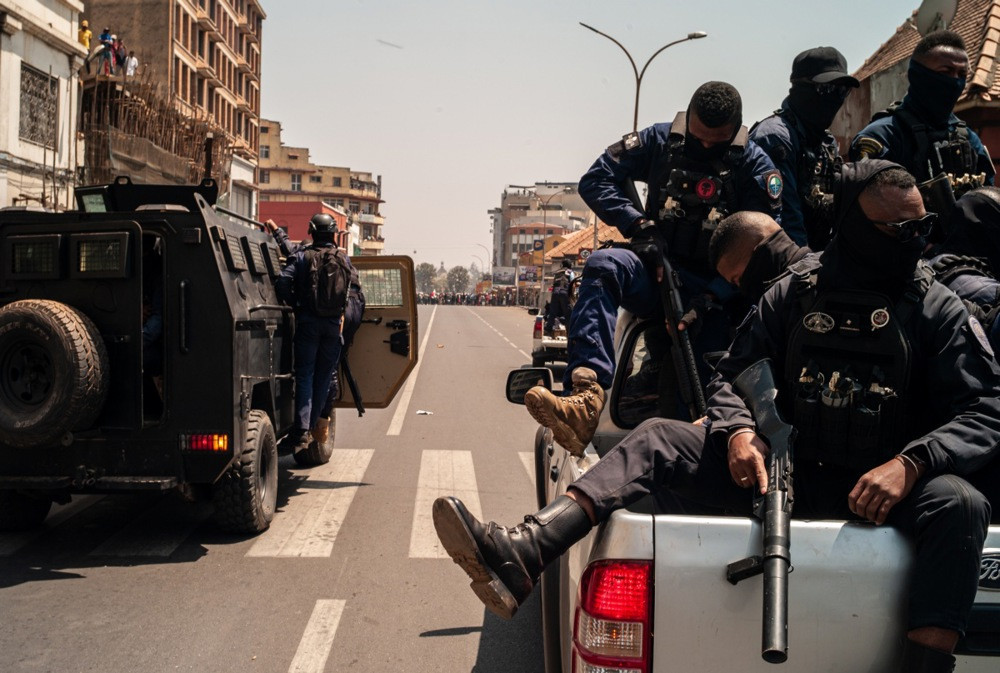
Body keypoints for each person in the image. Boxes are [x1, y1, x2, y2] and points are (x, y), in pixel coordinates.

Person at [434, 162, 1000, 673]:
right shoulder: (794, 294)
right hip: (784, 477)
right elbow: (732, 375)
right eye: (897, 230)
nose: (913, 240)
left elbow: (986, 409)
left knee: (961, 503)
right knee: (659, 437)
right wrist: (739, 432)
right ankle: (527, 549)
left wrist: (912, 463)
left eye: (921, 227)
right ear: (855, 226)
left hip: (885, 492)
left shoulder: (937, 309)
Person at [524, 81, 782, 455]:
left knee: (694, 393)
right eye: (698, 138)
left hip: (715, 295)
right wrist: (638, 226)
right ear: (688, 119)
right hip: (654, 270)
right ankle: (586, 395)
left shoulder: (754, 165)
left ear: (735, 131)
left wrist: (713, 296)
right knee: (604, 264)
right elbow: (595, 180)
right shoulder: (659, 141)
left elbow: (766, 244)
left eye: (715, 142)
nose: (704, 147)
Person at [850, 31, 995, 190]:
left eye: (962, 74)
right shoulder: (882, 136)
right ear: (917, 75)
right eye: (945, 72)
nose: (955, 81)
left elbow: (988, 195)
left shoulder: (968, 138)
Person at [750, 47, 858, 249]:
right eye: (826, 89)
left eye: (842, 90)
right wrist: (808, 263)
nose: (835, 98)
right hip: (785, 258)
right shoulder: (776, 138)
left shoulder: (825, 142)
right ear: (800, 88)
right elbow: (786, 221)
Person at [275, 213, 352, 449]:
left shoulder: (302, 256)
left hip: (308, 323)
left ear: (312, 231)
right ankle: (311, 428)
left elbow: (282, 281)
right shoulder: (344, 258)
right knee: (323, 378)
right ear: (333, 233)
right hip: (332, 327)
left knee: (305, 375)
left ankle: (300, 430)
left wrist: (295, 304)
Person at [544, 259, 574, 333]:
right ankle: (569, 332)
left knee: (552, 312)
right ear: (570, 265)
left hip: (555, 293)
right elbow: (572, 283)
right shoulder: (570, 272)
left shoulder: (557, 272)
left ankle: (549, 328)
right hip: (564, 293)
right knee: (568, 314)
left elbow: (554, 284)